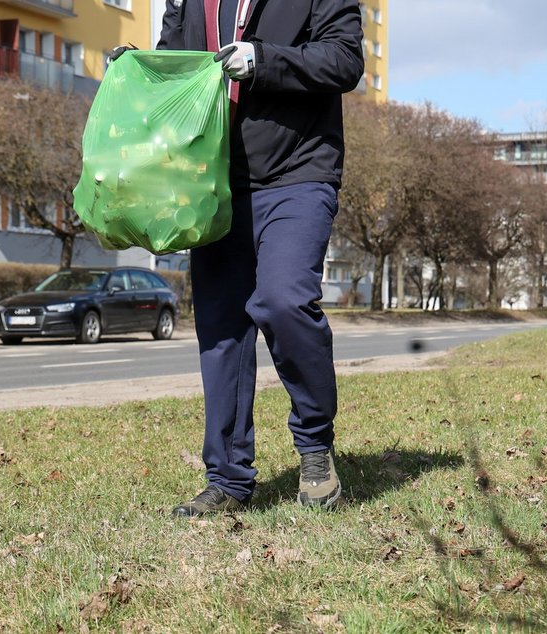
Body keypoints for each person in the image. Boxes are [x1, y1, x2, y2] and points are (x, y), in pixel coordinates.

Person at [152, 0, 364, 516]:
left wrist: (263, 60)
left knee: (284, 301)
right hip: (214, 179)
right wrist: (139, 70)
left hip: (298, 172)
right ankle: (227, 479)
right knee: (222, 329)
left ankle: (314, 448)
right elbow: (175, 65)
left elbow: (344, 59)